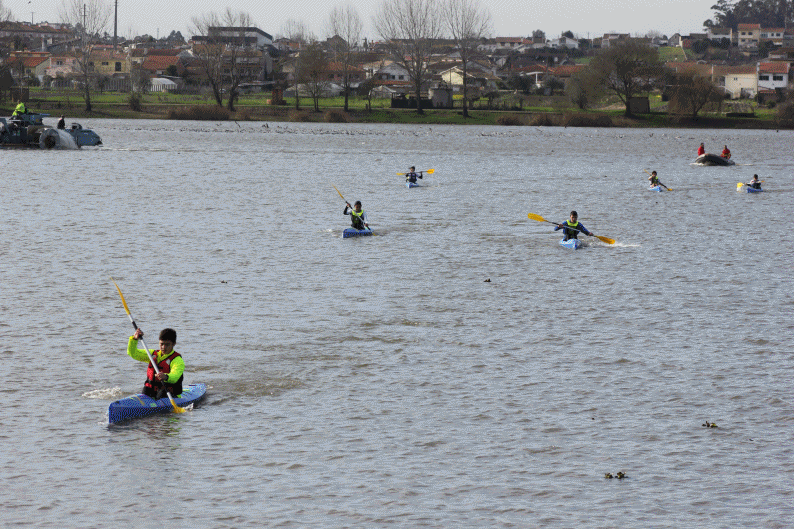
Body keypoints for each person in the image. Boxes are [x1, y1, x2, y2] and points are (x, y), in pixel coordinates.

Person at [128, 327, 184, 399]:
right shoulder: (152, 354)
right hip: (151, 389)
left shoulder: (177, 360)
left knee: (161, 393)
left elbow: (175, 376)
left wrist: (166, 377)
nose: (163, 347)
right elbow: (133, 353)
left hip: (168, 392)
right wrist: (134, 339)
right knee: (146, 390)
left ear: (174, 344)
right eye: (161, 344)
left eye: (167, 344)